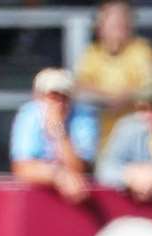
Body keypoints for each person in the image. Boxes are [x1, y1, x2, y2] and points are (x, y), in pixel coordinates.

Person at [75, 0, 152, 149]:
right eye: (114, 22)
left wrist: (117, 97)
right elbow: (81, 86)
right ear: (100, 26)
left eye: (123, 21)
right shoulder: (92, 53)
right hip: (101, 136)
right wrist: (113, 98)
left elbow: (151, 88)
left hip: (141, 137)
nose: (120, 26)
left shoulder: (142, 50)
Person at [10, 67, 99, 205]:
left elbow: (80, 168)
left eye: (64, 96)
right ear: (39, 97)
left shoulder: (84, 116)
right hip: (36, 200)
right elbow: (22, 168)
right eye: (53, 96)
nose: (59, 103)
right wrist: (59, 176)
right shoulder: (29, 115)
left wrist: (58, 131)